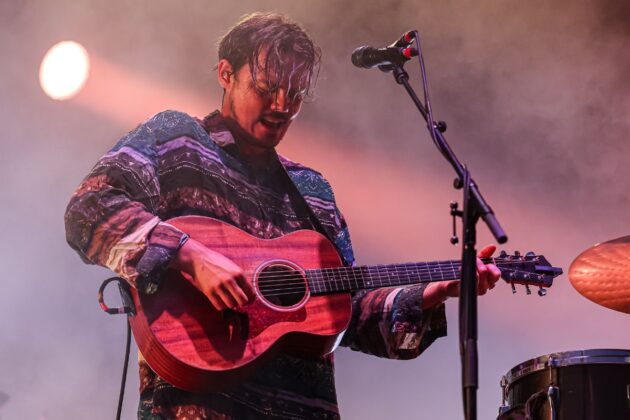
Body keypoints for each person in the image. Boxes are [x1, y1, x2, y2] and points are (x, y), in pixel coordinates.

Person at [64, 12, 501, 420]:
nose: (281, 105)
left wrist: (435, 291)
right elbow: (89, 208)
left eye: (295, 94)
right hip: (198, 404)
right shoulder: (176, 138)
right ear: (225, 74)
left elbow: (346, 314)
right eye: (266, 87)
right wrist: (190, 254)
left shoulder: (314, 190)